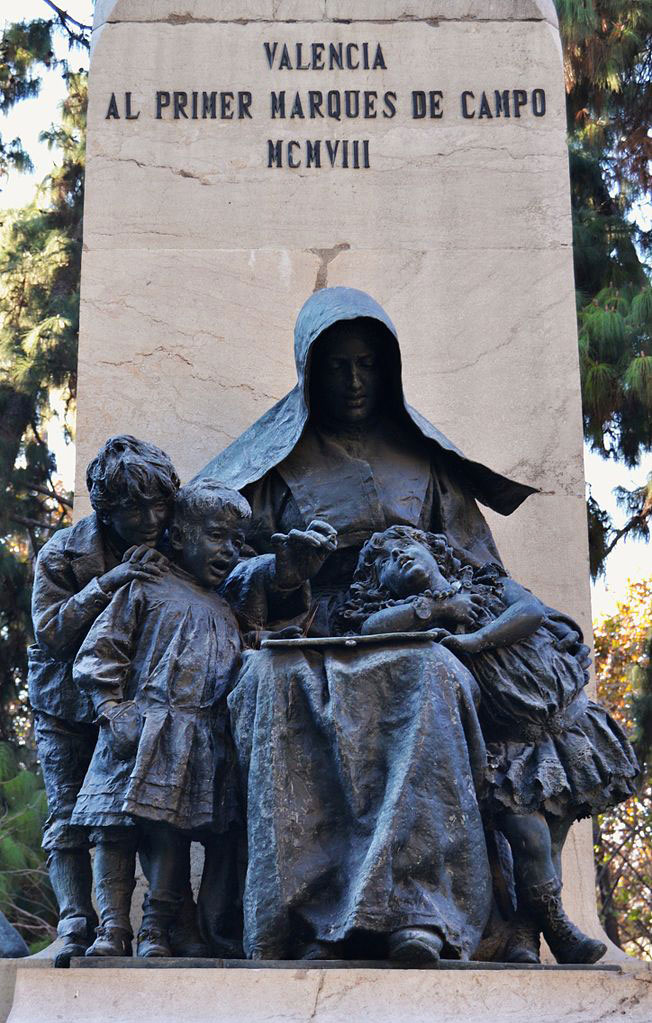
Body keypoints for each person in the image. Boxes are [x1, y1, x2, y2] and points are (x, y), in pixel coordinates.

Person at [340, 525, 639, 963]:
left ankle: (525, 938)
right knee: (529, 839)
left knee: (549, 845)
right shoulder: (416, 618)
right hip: (511, 744)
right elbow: (369, 626)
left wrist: (476, 638)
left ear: (434, 550)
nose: (398, 556)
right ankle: (560, 927)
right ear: (379, 585)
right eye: (384, 562)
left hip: (568, 725)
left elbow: (531, 613)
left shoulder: (489, 584)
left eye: (406, 546)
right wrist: (436, 609)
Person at [29, 435, 178, 965]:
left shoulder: (175, 541)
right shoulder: (63, 552)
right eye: (134, 507)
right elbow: (50, 632)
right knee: (68, 817)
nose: (150, 517)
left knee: (139, 815)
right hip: (66, 707)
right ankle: (74, 922)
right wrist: (109, 583)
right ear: (106, 507)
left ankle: (142, 926)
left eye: (159, 504)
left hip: (134, 704)